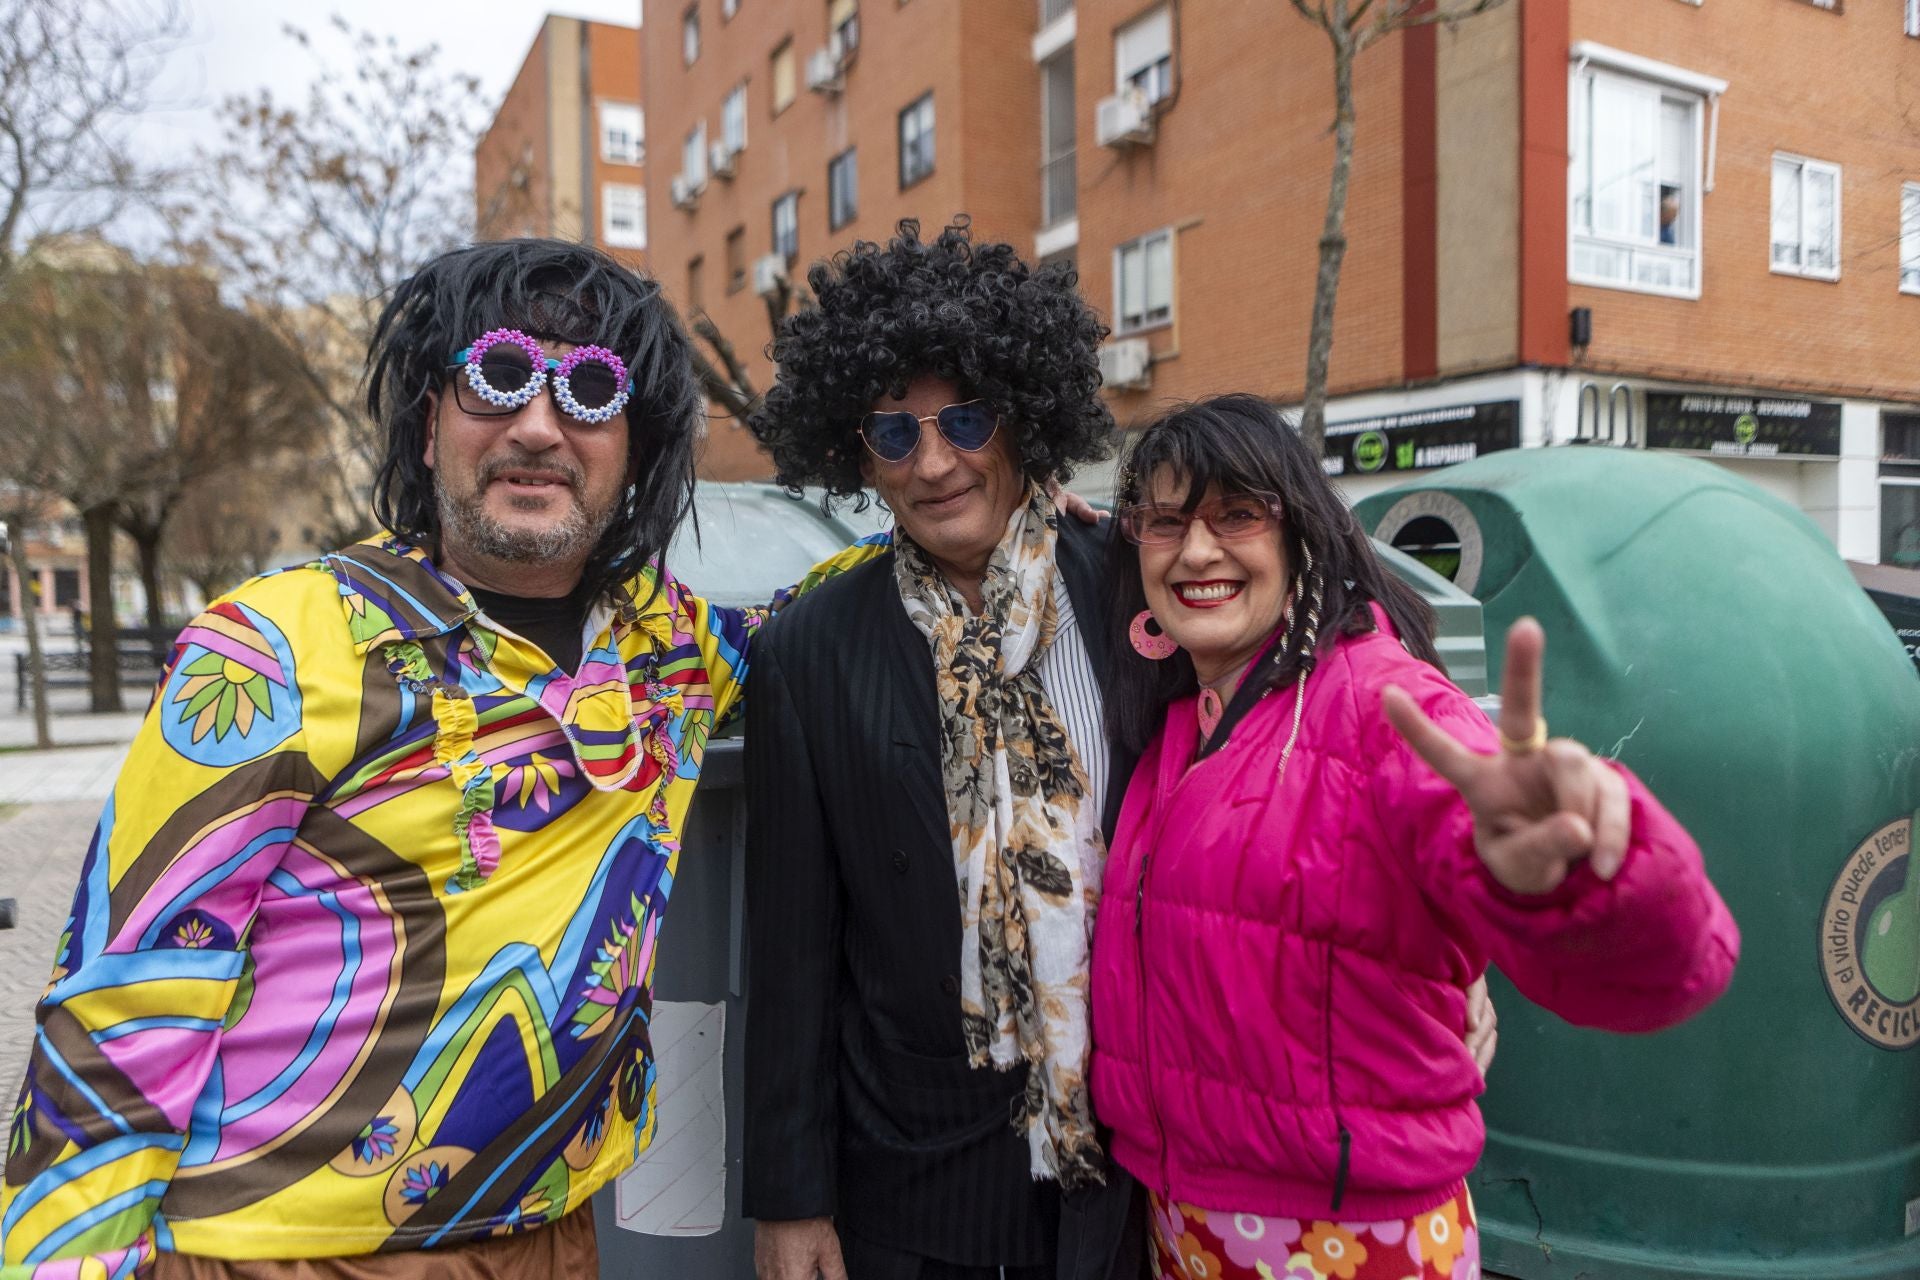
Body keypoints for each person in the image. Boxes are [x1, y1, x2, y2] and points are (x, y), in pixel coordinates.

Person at [0, 239, 874, 1278]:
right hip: (283, 1253)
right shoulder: (276, 648)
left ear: (635, 447)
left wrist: (1007, 523)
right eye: (498, 376)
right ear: (427, 425)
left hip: (556, 1234)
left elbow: (838, 602)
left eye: (592, 391)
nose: (541, 426)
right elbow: (124, 999)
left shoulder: (669, 649)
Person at [738, 225, 1494, 1280]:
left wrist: (1453, 948)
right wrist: (788, 1197)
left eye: (965, 417)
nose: (937, 459)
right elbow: (789, 953)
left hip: (1133, 1175)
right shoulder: (809, 652)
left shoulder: (1138, 579)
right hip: (912, 1191)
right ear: (856, 452)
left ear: (1023, 415)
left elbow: (1317, 710)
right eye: (893, 433)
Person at [1089, 395, 1740, 1280]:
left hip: (1352, 1245)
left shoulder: (1383, 705)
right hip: (1185, 1227)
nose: (1197, 551)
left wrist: (1575, 872)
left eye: (1236, 514)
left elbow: (1660, 968)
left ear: (1300, 535)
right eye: (1165, 522)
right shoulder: (1180, 724)